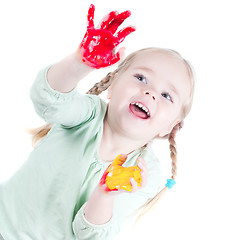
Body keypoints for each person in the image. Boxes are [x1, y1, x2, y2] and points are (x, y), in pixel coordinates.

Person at [0, 4, 195, 240]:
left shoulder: (146, 174)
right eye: (141, 78)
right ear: (112, 86)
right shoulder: (88, 114)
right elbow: (48, 100)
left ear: (170, 127)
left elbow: (89, 235)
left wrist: (106, 194)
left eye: (166, 96)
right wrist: (79, 63)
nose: (150, 93)